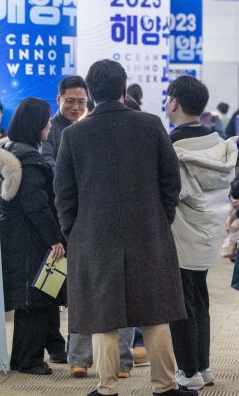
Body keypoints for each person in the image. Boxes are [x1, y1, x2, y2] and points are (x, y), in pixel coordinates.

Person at [54, 60, 191, 396]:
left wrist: (75, 233)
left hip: (93, 236)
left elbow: (64, 195)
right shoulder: (150, 124)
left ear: (90, 92)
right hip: (148, 231)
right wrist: (160, 219)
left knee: (102, 315)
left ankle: (107, 387)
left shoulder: (74, 135)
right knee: (155, 311)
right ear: (123, 87)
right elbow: (171, 180)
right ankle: (165, 385)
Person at [166, 75, 237, 391]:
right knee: (200, 299)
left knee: (182, 304)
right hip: (210, 232)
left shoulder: (172, 146)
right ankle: (203, 366)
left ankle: (188, 370)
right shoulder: (219, 144)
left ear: (174, 102)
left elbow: (167, 194)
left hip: (181, 235)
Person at [0, 97, 65, 375]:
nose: (49, 125)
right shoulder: (31, 161)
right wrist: (55, 239)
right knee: (33, 300)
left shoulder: (10, 151)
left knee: (32, 301)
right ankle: (28, 360)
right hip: (30, 241)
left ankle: (27, 357)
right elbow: (37, 206)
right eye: (46, 120)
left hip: (15, 237)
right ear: (36, 124)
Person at [42, 75, 89, 168]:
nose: (75, 107)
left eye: (81, 102)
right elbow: (46, 158)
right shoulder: (47, 128)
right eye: (70, 101)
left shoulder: (87, 130)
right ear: (58, 100)